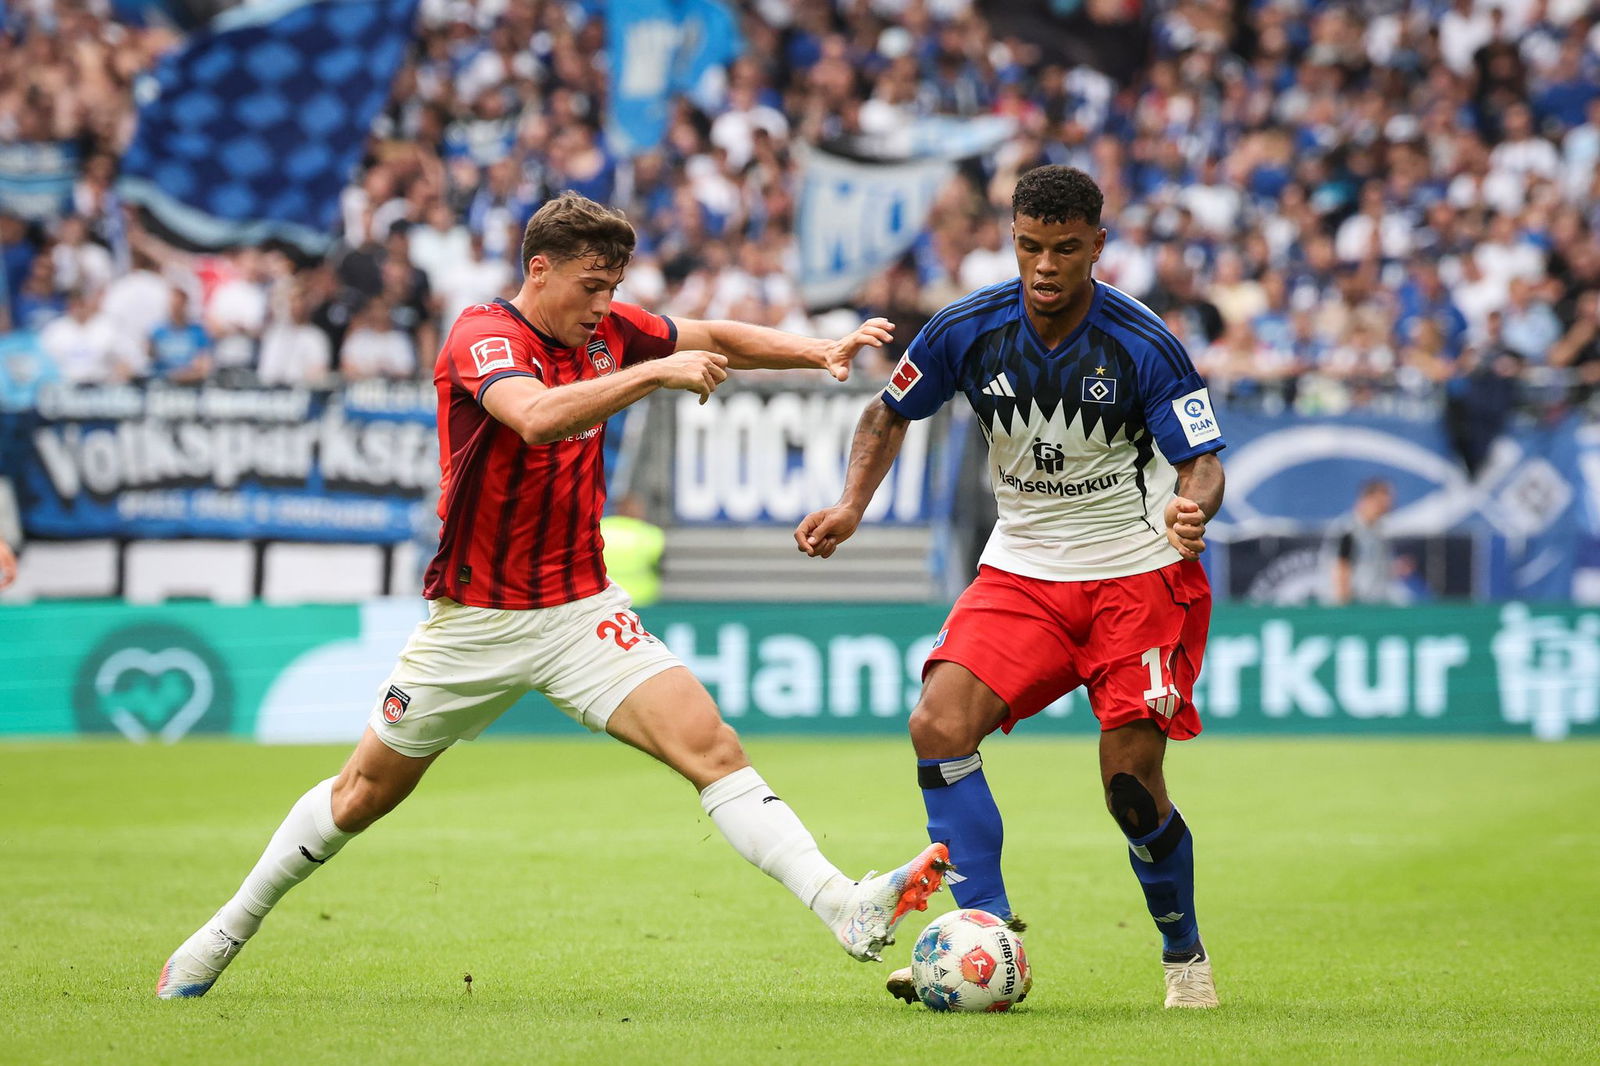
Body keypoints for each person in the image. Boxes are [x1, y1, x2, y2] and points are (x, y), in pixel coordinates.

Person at [156, 192, 949, 999]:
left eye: (613, 288)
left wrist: (819, 350)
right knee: (362, 795)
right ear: (540, 270)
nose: (605, 305)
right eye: (592, 286)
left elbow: (713, 338)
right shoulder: (482, 337)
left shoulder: (608, 331)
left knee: (713, 749)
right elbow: (533, 417)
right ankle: (225, 931)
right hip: (475, 622)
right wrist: (652, 374)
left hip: (580, 610)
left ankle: (843, 905)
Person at [796, 166, 1226, 1009]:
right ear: (1013, 239)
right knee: (938, 724)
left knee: (1131, 789)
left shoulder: (1143, 343)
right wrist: (851, 504)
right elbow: (887, 412)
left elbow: (1202, 462)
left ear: (1097, 246)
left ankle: (1184, 957)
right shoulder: (969, 328)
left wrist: (1191, 510)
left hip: (1135, 576)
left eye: (1065, 249)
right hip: (1023, 571)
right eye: (1030, 246)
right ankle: (984, 937)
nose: (1044, 266)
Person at [1327, 478, 1398, 605]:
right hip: (1355, 608)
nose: (1389, 503)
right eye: (1383, 499)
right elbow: (1341, 568)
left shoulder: (1377, 531)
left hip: (1372, 606)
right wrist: (1344, 608)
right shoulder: (1349, 529)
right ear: (1368, 499)